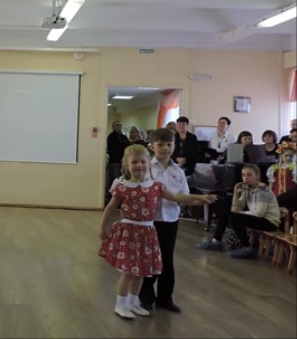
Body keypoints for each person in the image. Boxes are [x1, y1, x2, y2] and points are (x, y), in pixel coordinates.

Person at [99, 144, 214, 319]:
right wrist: (102, 226)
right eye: (134, 162)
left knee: (141, 272)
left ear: (148, 163)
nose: (139, 165)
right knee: (129, 272)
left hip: (147, 233)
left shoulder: (156, 186)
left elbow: (177, 197)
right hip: (130, 233)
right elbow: (110, 207)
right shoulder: (122, 186)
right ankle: (120, 304)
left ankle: (133, 302)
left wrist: (200, 198)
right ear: (126, 165)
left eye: (143, 161)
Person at [139, 128, 202, 314]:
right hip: (150, 222)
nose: (165, 148)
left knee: (167, 259)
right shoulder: (146, 168)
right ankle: (145, 297)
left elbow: (184, 195)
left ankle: (165, 298)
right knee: (149, 259)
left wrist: (201, 200)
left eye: (169, 144)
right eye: (160, 144)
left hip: (170, 220)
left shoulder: (178, 171)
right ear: (152, 146)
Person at [197, 163, 281, 259]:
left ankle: (247, 248)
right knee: (226, 210)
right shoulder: (247, 187)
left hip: (269, 222)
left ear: (257, 176)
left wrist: (240, 212)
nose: (246, 178)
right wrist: (236, 194)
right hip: (259, 217)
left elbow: (259, 213)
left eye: (249, 175)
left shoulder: (262, 190)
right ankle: (216, 241)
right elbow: (238, 206)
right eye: (243, 175)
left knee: (234, 218)